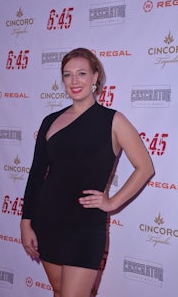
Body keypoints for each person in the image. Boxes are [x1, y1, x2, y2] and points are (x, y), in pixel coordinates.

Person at [20, 47, 154, 297]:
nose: (74, 81)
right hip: (47, 221)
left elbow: (145, 167)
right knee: (59, 291)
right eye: (68, 75)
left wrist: (112, 202)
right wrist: (26, 222)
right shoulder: (50, 121)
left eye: (81, 73)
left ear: (95, 77)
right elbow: (36, 175)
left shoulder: (113, 120)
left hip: (85, 226)